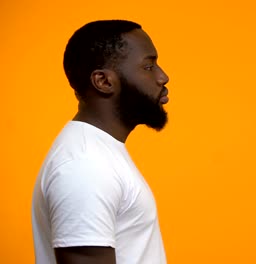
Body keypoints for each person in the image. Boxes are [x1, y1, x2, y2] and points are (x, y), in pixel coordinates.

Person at [32, 20, 170, 264]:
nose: (163, 77)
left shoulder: (98, 154)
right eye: (148, 66)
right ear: (104, 82)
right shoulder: (84, 166)